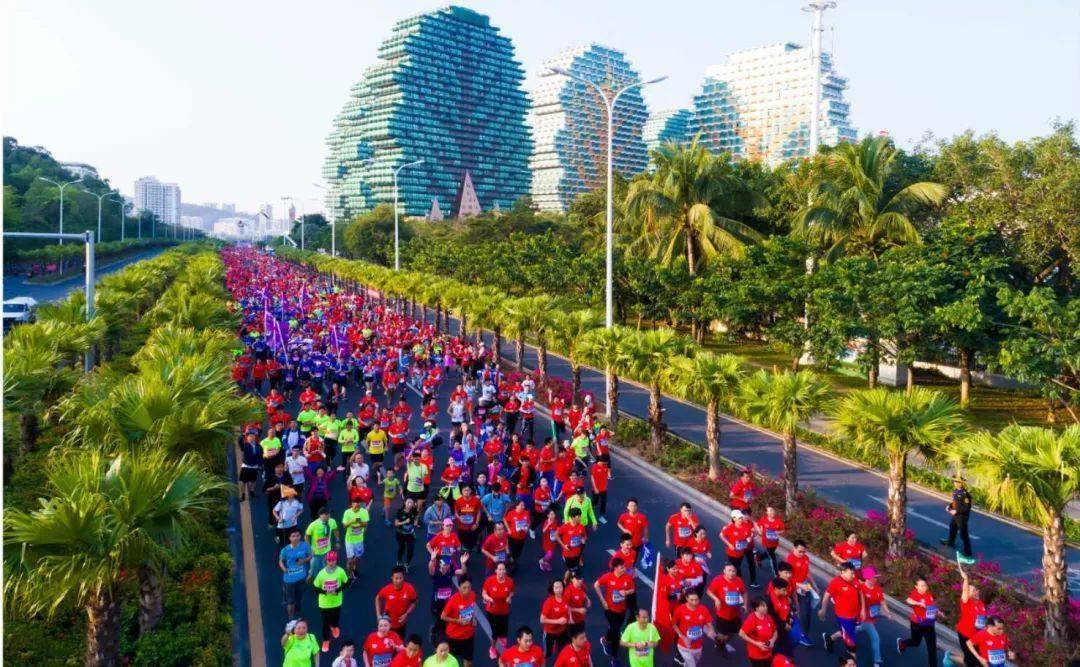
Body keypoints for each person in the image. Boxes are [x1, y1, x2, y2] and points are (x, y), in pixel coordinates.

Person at [819, 561, 863, 655]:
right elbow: (827, 596)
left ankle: (830, 638)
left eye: (854, 572)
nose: (853, 575)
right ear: (843, 572)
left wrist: (863, 609)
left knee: (849, 631)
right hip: (843, 617)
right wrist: (823, 609)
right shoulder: (835, 582)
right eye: (851, 573)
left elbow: (860, 593)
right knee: (852, 644)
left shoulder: (855, 580)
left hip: (855, 614)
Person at [595, 557, 636, 659]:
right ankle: (614, 656)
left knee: (614, 628)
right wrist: (603, 601)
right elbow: (596, 585)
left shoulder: (628, 577)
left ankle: (605, 640)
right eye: (622, 567)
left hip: (622, 610)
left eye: (624, 567)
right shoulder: (608, 577)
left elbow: (632, 589)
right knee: (616, 633)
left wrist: (626, 592)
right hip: (610, 610)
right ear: (615, 568)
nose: (624, 569)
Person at [947, 569, 988, 667]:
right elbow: (965, 591)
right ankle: (949, 658)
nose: (977, 591)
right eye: (974, 590)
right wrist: (966, 579)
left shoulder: (981, 603)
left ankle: (951, 658)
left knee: (975, 660)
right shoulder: (966, 603)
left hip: (977, 636)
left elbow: (982, 619)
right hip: (965, 635)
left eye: (977, 590)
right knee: (971, 661)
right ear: (968, 594)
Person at [897, 578, 941, 666]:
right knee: (916, 642)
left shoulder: (929, 595)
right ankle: (902, 643)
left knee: (932, 648)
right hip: (917, 623)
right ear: (916, 587)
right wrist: (919, 603)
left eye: (925, 585)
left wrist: (938, 612)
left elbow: (931, 607)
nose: (924, 587)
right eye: (921, 585)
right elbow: (908, 600)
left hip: (929, 624)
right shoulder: (915, 594)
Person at [312, 551, 350, 653]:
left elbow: (347, 583)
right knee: (325, 623)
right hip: (324, 603)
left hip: (336, 602)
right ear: (326, 561)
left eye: (333, 560)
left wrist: (337, 590)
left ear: (336, 560)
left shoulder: (341, 572)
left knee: (334, 621)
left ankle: (334, 627)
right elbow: (315, 588)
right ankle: (325, 641)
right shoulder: (321, 574)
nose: (331, 562)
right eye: (329, 560)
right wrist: (325, 591)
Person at [706, 562, 746, 654]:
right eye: (729, 570)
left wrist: (745, 605)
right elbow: (709, 591)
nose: (732, 573)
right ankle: (718, 641)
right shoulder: (718, 580)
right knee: (723, 635)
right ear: (724, 571)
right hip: (722, 614)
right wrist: (716, 599)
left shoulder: (739, 581)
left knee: (733, 633)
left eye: (733, 571)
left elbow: (744, 592)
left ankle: (722, 643)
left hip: (735, 614)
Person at [441, 575, 478, 667]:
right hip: (454, 637)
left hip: (469, 636)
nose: (467, 590)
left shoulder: (473, 595)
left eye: (469, 587)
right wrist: (458, 621)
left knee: (468, 663)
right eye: (464, 587)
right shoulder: (453, 600)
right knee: (452, 662)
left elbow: (472, 608)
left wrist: (473, 619)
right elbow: (443, 616)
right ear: (459, 587)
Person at [671, 590, 716, 667]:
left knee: (694, 661)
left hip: (698, 646)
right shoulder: (680, 609)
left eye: (696, 600)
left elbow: (709, 622)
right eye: (692, 600)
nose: (694, 602)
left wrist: (711, 630)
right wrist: (682, 636)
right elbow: (673, 624)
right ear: (687, 599)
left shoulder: (703, 609)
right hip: (684, 645)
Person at [856, 566, 889, 667]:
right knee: (875, 637)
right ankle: (877, 661)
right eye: (874, 577)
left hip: (871, 618)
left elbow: (882, 600)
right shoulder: (861, 589)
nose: (876, 579)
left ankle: (877, 661)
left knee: (872, 637)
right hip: (861, 618)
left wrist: (887, 612)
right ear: (867, 577)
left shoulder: (878, 588)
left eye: (876, 577)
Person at [482, 563, 515, 660]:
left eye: (503, 569)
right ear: (496, 571)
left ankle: (503, 648)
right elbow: (484, 593)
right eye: (499, 569)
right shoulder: (489, 581)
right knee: (495, 634)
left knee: (504, 634)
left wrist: (509, 597)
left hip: (504, 612)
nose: (501, 572)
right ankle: (492, 648)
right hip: (492, 612)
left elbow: (512, 592)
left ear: (505, 571)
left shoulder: (509, 581)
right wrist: (488, 598)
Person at [376, 566, 418, 640]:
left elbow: (414, 602)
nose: (398, 581)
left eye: (400, 578)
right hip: (387, 623)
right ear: (392, 578)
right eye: (396, 578)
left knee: (400, 642)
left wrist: (407, 613)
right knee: (386, 642)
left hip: (401, 623)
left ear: (403, 577)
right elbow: (378, 598)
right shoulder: (387, 589)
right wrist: (378, 614)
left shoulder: (409, 589)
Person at [280, 528, 313, 620]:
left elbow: (310, 556)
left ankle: (296, 607)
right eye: (293, 536)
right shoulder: (285, 550)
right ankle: (291, 618)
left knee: (299, 597)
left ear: (300, 536)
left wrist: (304, 560)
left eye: (297, 536)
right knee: (291, 601)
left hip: (301, 578)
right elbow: (281, 561)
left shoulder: (305, 546)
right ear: (289, 538)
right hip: (289, 580)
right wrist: (283, 568)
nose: (295, 538)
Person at [720, 510, 758, 587]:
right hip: (731, 553)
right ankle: (730, 583)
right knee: (733, 569)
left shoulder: (745, 526)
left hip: (741, 553)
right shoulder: (730, 527)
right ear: (734, 519)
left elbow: (752, 533)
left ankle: (735, 579)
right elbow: (721, 535)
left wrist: (750, 538)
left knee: (737, 567)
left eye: (741, 518)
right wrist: (729, 544)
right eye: (739, 518)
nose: (741, 519)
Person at [739, 597, 778, 667]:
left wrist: (772, 641)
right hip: (756, 655)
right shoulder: (751, 619)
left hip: (768, 653)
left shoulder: (768, 617)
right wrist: (757, 644)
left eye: (766, 606)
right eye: (763, 606)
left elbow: (775, 632)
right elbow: (741, 634)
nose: (766, 608)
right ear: (756, 608)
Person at [942, 475, 974, 559]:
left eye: (957, 482)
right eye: (954, 481)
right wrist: (949, 507)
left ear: (962, 483)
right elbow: (954, 502)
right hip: (955, 515)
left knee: (963, 534)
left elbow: (966, 507)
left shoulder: (965, 495)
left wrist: (956, 511)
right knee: (952, 527)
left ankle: (968, 552)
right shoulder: (956, 491)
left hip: (962, 517)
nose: (955, 483)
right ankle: (950, 542)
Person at [305, 506, 340, 581]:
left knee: (326, 570)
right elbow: (307, 536)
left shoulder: (332, 521)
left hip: (327, 551)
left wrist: (337, 541)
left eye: (328, 515)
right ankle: (311, 583)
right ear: (320, 516)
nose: (328, 517)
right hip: (316, 553)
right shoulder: (313, 525)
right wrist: (309, 547)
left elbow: (335, 530)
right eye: (325, 516)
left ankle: (323, 584)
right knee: (313, 573)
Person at [540, 579, 571, 657]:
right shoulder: (549, 602)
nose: (559, 590)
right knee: (548, 653)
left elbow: (568, 607)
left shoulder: (565, 598)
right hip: (550, 632)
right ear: (552, 589)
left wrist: (570, 618)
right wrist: (557, 621)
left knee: (563, 652)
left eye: (560, 587)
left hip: (562, 631)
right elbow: (542, 619)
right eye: (556, 588)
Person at [556, 508, 588, 577]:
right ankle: (566, 580)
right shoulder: (565, 527)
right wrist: (563, 545)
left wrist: (583, 539)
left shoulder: (581, 527)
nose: (580, 518)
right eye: (578, 516)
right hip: (568, 555)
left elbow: (584, 536)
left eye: (580, 516)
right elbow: (556, 535)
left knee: (574, 569)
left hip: (577, 554)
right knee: (572, 570)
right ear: (573, 517)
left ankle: (570, 578)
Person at [342, 496, 370, 577]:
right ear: (351, 505)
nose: (356, 508)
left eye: (358, 506)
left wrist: (360, 522)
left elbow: (366, 524)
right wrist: (352, 521)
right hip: (349, 540)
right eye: (355, 506)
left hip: (359, 540)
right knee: (350, 560)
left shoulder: (364, 512)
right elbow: (344, 526)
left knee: (357, 558)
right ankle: (349, 575)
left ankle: (354, 569)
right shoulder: (347, 512)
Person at [756, 506, 785, 574]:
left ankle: (759, 557)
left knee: (769, 553)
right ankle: (776, 574)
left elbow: (783, 530)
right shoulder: (764, 519)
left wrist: (778, 532)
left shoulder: (778, 521)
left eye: (773, 510)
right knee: (772, 558)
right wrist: (760, 531)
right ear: (767, 512)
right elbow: (758, 525)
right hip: (766, 542)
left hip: (774, 542)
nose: (772, 512)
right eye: (770, 510)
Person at [394, 497, 421, 569]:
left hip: (410, 534)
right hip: (401, 534)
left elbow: (417, 515)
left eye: (411, 503)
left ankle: (407, 563)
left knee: (411, 550)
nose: (409, 504)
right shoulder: (400, 511)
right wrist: (405, 522)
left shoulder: (414, 511)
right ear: (404, 503)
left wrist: (416, 521)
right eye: (408, 502)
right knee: (402, 548)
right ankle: (399, 561)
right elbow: (396, 524)